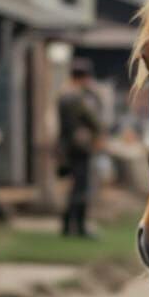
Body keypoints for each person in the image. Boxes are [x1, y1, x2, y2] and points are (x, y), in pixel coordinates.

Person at [57, 58, 102, 237]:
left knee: (75, 187)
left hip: (68, 147)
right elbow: (92, 120)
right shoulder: (75, 96)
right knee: (80, 188)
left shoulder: (64, 93)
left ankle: (69, 227)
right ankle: (78, 227)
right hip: (78, 147)